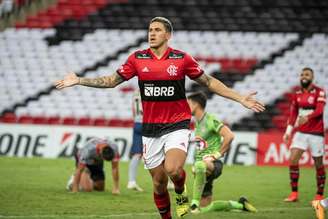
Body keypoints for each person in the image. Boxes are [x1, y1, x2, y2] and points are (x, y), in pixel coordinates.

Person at [55, 17, 265, 219]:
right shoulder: (137, 58)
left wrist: (240, 98)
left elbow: (208, 81)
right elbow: (111, 81)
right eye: (150, 30)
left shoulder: (181, 59)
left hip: (177, 124)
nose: (152, 33)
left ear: (168, 35)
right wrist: (79, 80)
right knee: (158, 183)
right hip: (150, 130)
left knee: (173, 169)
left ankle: (181, 191)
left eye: (157, 30)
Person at [187, 92, 257, 214]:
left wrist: (216, 155)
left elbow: (229, 136)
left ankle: (194, 202)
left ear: (196, 105)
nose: (185, 106)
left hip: (213, 164)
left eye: (187, 104)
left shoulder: (210, 120)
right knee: (203, 211)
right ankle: (240, 205)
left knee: (199, 166)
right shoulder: (197, 122)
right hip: (202, 170)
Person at [283, 67, 326, 202]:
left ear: (312, 77)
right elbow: (293, 114)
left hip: (316, 133)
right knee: (293, 159)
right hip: (301, 133)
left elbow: (319, 110)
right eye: (302, 74)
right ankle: (294, 194)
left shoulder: (320, 92)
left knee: (318, 164)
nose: (304, 76)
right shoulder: (297, 94)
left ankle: (319, 194)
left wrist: (307, 117)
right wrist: (288, 132)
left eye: (307, 74)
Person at [127, 90, 144, 192]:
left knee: (137, 154)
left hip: (137, 123)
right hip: (147, 123)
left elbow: (134, 110)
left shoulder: (136, 92)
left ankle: (131, 181)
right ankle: (169, 182)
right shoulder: (149, 88)